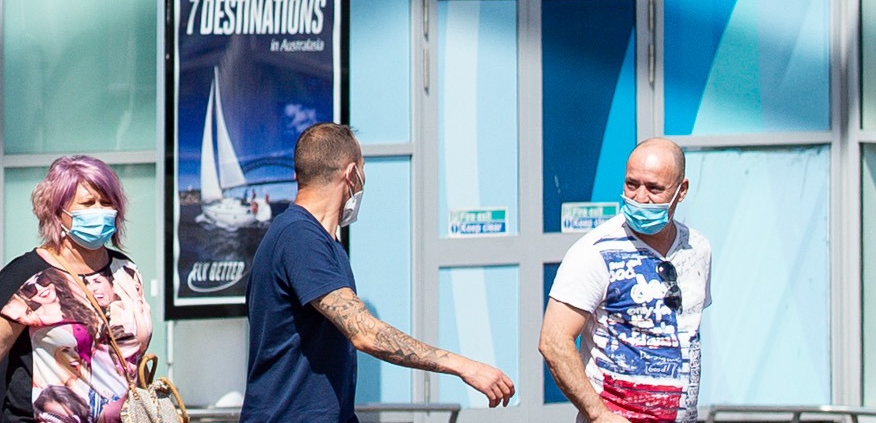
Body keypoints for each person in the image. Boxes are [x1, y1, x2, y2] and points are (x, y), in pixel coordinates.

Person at [245, 123, 516, 423]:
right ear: (351, 175)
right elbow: (365, 333)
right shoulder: (299, 237)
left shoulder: (322, 241)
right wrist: (465, 366)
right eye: (363, 172)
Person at [0, 156, 153, 423]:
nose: (100, 211)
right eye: (88, 204)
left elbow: (132, 355)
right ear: (58, 213)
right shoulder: (28, 275)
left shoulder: (126, 271)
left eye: (107, 202)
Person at [541, 139, 709, 423]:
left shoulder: (698, 248)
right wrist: (599, 415)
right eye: (632, 184)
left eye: (654, 188)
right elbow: (553, 341)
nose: (640, 197)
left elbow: (685, 336)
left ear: (682, 191)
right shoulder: (595, 251)